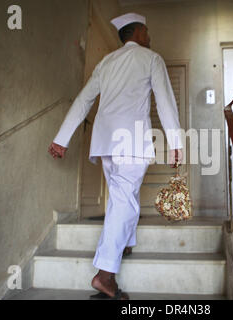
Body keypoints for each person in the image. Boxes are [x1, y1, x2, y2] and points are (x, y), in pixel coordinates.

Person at [47, 13, 183, 300]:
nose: (149, 35)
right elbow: (166, 101)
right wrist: (175, 142)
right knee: (125, 202)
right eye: (146, 30)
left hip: (105, 142)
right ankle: (105, 275)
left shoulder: (106, 62)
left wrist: (62, 139)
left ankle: (125, 243)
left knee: (122, 198)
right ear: (137, 33)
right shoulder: (151, 58)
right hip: (131, 140)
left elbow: (84, 99)